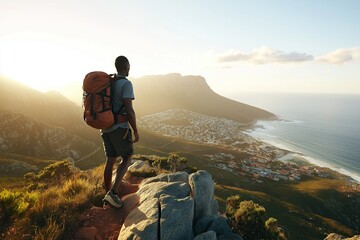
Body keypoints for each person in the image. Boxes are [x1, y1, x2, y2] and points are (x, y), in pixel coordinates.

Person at [101, 55, 139, 208]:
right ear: (125, 67)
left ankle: (106, 193)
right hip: (119, 128)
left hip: (105, 127)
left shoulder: (109, 82)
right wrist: (135, 130)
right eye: (129, 66)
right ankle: (113, 193)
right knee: (127, 156)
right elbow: (129, 110)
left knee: (110, 160)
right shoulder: (126, 84)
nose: (130, 68)